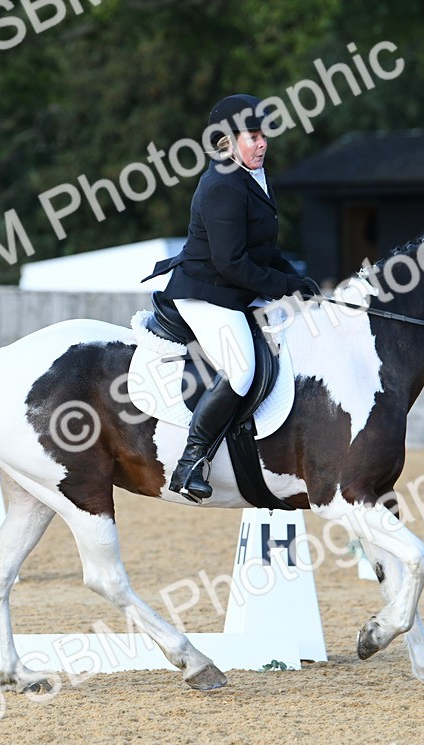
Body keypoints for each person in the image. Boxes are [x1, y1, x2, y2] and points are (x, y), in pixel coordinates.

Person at [143, 93, 320, 502]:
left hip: (234, 289)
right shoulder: (222, 185)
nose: (263, 143)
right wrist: (283, 286)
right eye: (253, 136)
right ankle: (191, 461)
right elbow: (232, 263)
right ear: (229, 140)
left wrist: (297, 278)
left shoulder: (251, 176)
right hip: (207, 292)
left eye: (264, 136)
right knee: (240, 370)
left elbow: (263, 249)